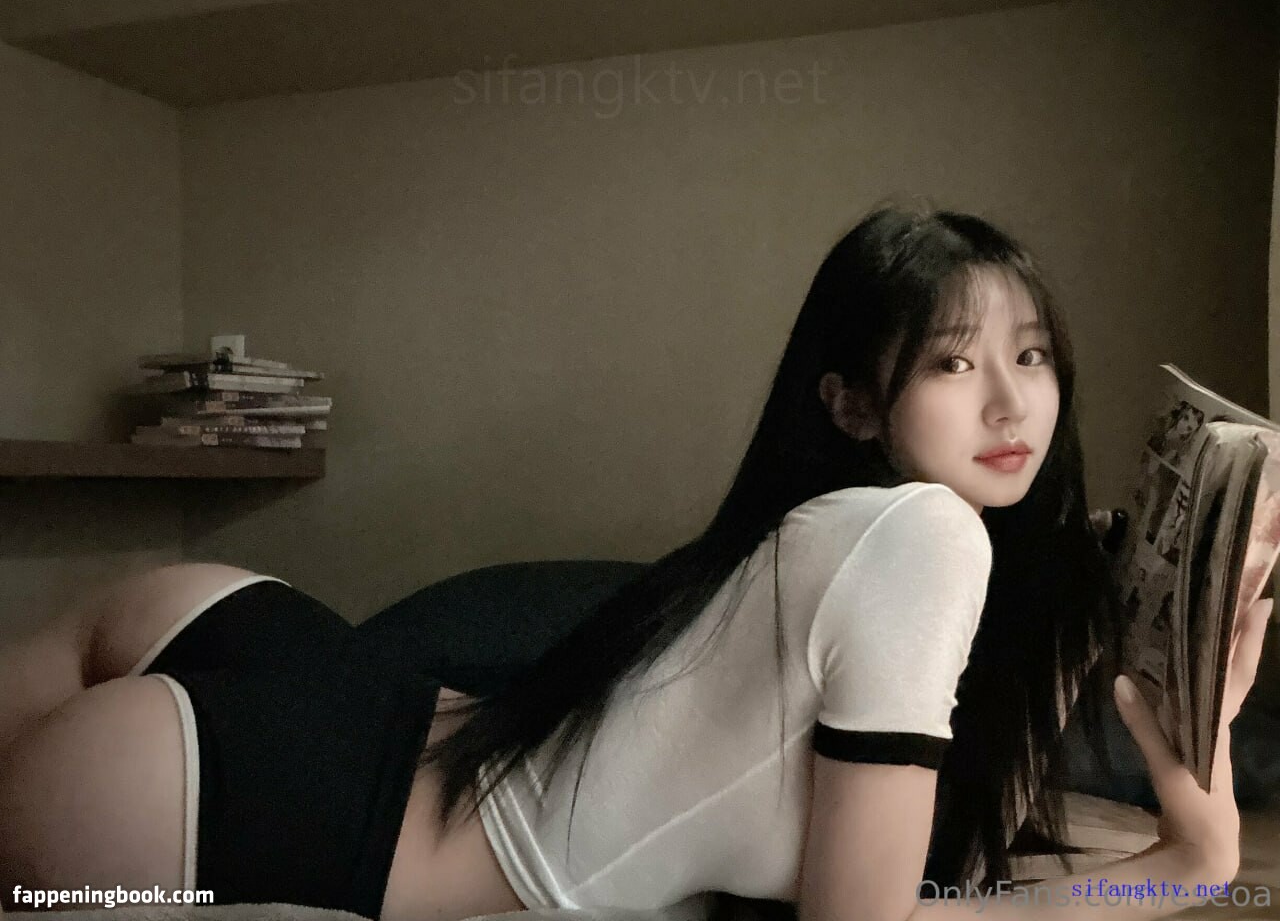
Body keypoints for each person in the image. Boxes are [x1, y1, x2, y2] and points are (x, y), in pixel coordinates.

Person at [0, 206, 1272, 921]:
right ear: (848, 402)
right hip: (279, 800)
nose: (1009, 401)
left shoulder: (857, 555)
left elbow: (953, 861)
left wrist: (1190, 714)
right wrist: (1178, 874)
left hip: (286, 663)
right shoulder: (921, 538)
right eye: (951, 360)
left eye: (1031, 355)